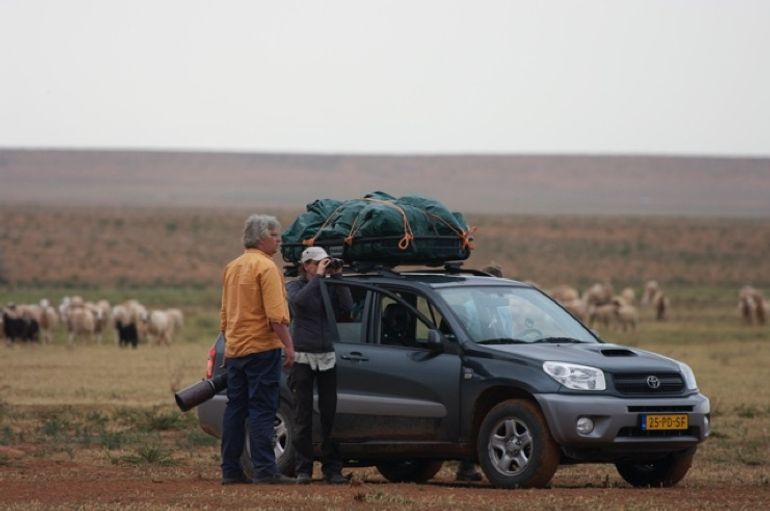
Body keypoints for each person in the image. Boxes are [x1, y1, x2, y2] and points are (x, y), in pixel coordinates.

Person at [219, 214, 296, 485]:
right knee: (263, 409)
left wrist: (228, 344)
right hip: (262, 349)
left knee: (235, 410)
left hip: (236, 349)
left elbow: (225, 314)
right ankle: (265, 470)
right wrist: (288, 345)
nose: (279, 240)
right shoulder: (266, 267)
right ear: (262, 237)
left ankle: (230, 471)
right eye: (275, 235)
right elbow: (276, 315)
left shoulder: (233, 266)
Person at [285, 246, 353, 485]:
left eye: (324, 262)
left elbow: (347, 309)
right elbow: (299, 304)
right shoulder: (295, 286)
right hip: (302, 357)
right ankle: (303, 469)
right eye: (318, 263)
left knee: (329, 414)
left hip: (327, 356)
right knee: (302, 415)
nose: (322, 266)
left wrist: (338, 277)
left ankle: (332, 469)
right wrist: (318, 279)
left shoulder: (328, 284)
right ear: (307, 266)